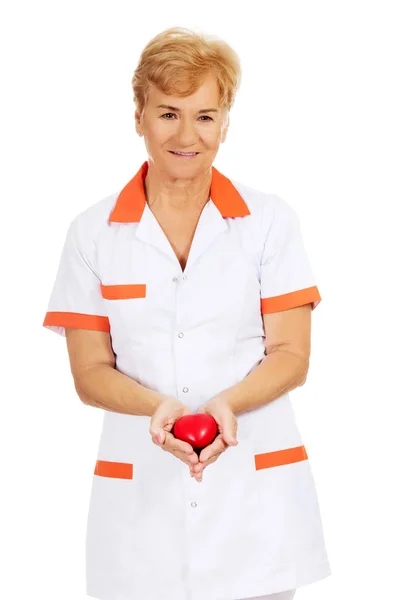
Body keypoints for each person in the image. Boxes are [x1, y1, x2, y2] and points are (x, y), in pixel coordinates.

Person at [42, 26, 331, 600]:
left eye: (205, 115)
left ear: (225, 123)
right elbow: (89, 372)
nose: (187, 135)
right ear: (139, 117)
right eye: (168, 112)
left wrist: (225, 405)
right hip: (138, 507)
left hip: (255, 501)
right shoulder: (92, 233)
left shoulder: (270, 222)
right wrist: (162, 410)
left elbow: (292, 355)